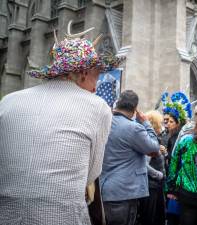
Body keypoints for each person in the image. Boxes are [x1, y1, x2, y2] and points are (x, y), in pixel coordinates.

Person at [0, 22, 122, 225]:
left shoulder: (8, 101)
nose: (95, 88)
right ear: (83, 73)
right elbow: (91, 173)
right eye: (96, 78)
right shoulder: (97, 106)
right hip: (61, 215)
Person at [100, 90, 160, 225]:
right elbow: (154, 148)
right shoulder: (134, 128)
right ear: (135, 109)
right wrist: (146, 123)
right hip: (124, 193)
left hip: (104, 189)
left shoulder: (104, 123)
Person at [161, 91, 192, 225]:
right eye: (166, 121)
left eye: (171, 121)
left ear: (178, 123)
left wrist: (173, 188)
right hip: (170, 179)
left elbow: (177, 161)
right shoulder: (167, 135)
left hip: (177, 184)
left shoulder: (180, 138)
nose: (167, 124)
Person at [137, 110, 166, 225]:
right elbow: (144, 164)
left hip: (154, 186)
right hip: (151, 186)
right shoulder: (148, 140)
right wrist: (159, 175)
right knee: (151, 218)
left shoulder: (152, 140)